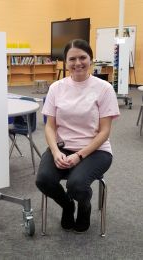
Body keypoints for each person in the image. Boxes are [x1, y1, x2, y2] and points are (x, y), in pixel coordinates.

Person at [36, 39, 120, 233]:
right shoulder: (56, 88)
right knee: (44, 180)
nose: (78, 63)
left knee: (76, 185)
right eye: (72, 59)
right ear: (65, 62)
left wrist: (79, 155)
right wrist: (56, 152)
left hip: (96, 150)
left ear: (91, 60)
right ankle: (67, 205)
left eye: (83, 57)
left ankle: (84, 206)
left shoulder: (104, 88)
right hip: (63, 147)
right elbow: (50, 127)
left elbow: (105, 131)